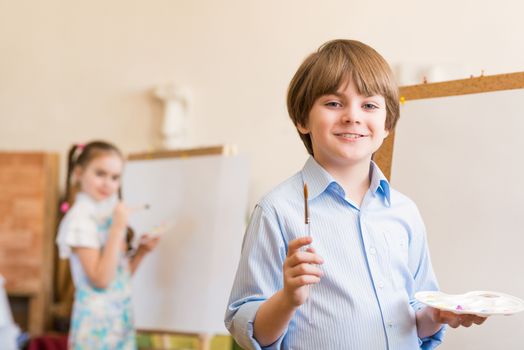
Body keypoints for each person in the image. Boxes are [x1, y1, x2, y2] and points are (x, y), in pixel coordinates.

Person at [225, 39, 486, 349]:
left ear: (387, 123)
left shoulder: (404, 211)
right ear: (301, 119)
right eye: (334, 103)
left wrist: (439, 314)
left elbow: (415, 318)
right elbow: (245, 326)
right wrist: (287, 299)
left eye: (369, 105)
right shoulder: (276, 211)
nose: (353, 116)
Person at [56, 141, 159, 349]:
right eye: (100, 174)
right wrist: (117, 229)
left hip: (119, 320)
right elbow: (101, 280)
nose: (108, 183)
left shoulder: (106, 215)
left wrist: (140, 253)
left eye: (115, 177)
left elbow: (117, 279)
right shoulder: (80, 219)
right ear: (78, 173)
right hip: (96, 327)